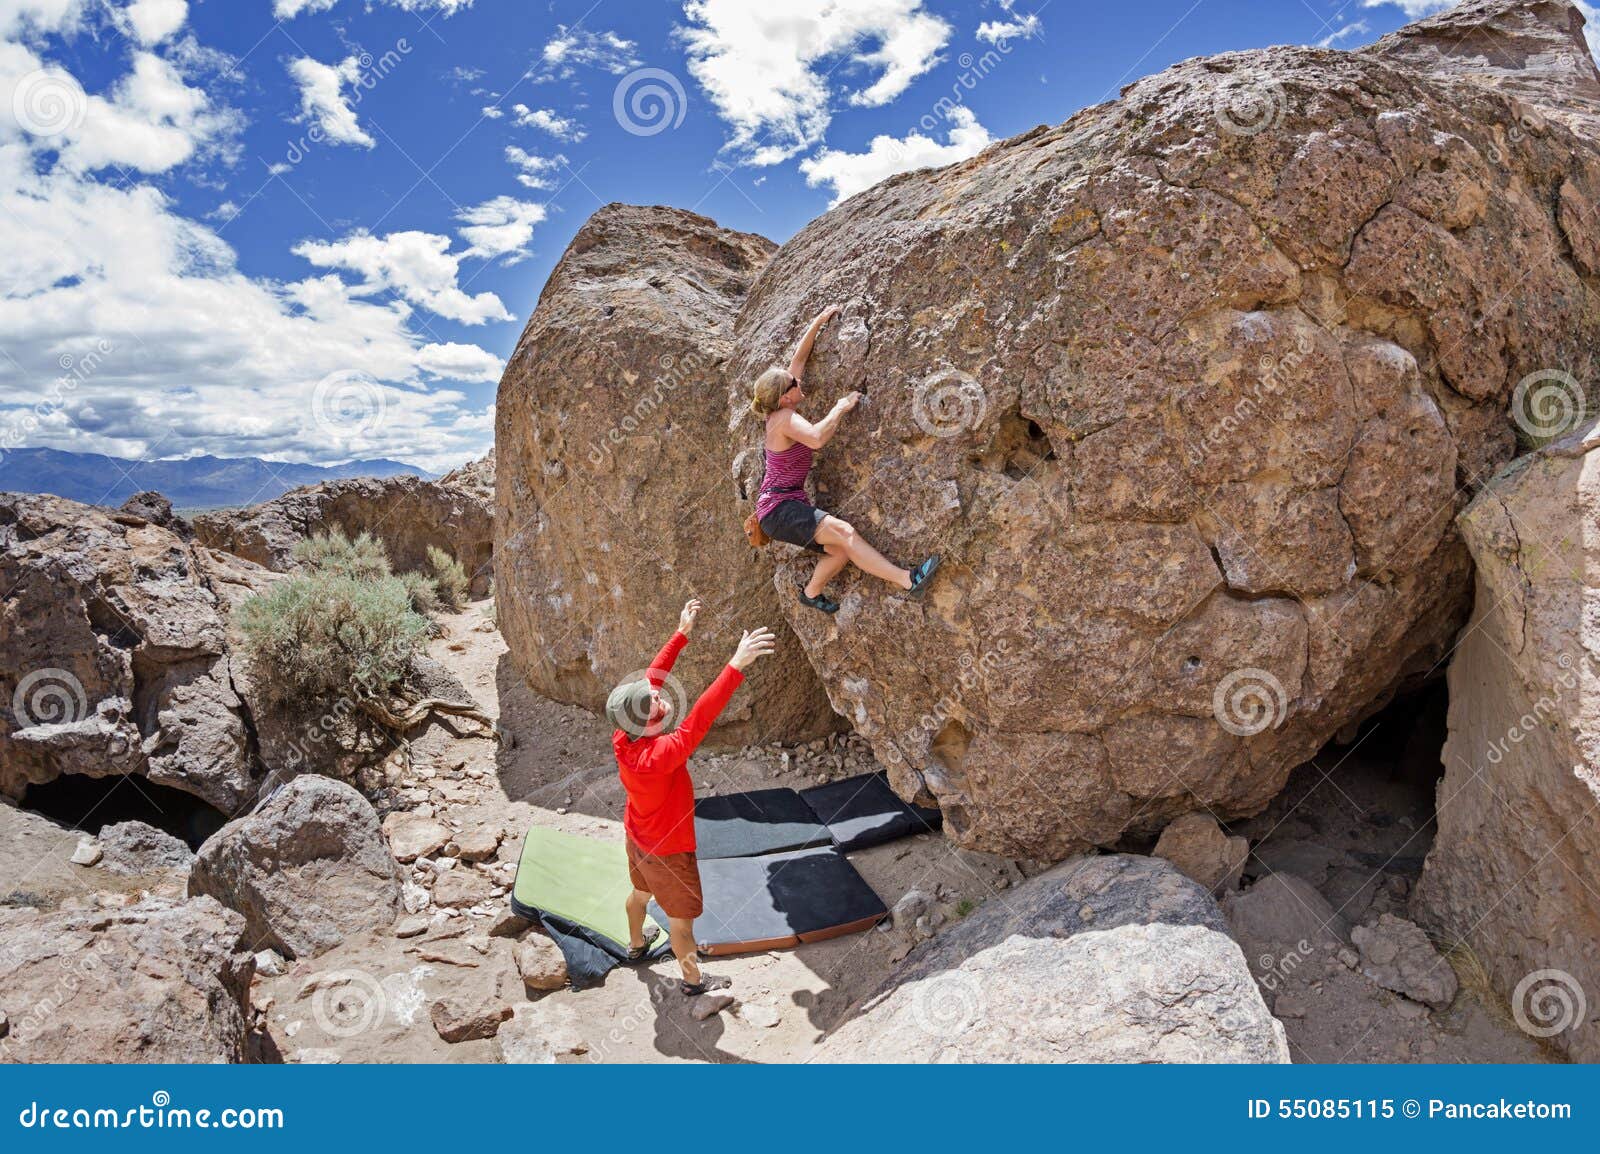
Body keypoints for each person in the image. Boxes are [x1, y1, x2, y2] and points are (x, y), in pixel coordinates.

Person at [605, 597, 776, 995]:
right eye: (654, 705)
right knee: (682, 925)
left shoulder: (624, 735)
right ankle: (694, 982)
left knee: (639, 895)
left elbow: (653, 676)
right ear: (644, 721)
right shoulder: (661, 756)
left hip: (638, 839)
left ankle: (635, 946)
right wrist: (735, 666)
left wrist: (681, 634)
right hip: (668, 853)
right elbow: (701, 716)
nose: (660, 698)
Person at [749, 305, 939, 614]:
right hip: (778, 508)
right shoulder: (783, 418)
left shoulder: (783, 404)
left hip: (780, 507)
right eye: (793, 385)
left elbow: (798, 359)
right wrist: (839, 408)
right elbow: (816, 438)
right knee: (846, 533)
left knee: (838, 551)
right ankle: (909, 580)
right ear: (784, 397)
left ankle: (811, 593)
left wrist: (819, 321)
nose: (799, 383)